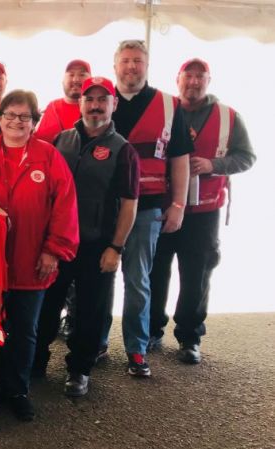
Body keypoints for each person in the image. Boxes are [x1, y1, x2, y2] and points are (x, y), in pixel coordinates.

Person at [0, 90, 78, 421]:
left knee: (24, 330)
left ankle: (18, 389)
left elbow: (65, 205)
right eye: (10, 115)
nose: (16, 122)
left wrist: (54, 249)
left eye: (24, 117)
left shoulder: (49, 157)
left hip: (31, 261)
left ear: (35, 122)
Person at [35, 77, 140, 396]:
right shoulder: (58, 141)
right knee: (47, 305)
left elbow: (129, 205)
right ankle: (36, 362)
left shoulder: (123, 151)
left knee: (91, 311)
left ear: (113, 104)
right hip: (57, 243)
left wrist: (116, 248)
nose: (95, 105)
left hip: (97, 246)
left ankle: (79, 370)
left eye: (102, 100)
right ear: (79, 103)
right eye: (88, 99)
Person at [149, 58, 256, 364]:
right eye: (188, 76)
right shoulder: (163, 110)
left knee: (197, 274)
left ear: (209, 80)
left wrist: (214, 165)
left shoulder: (229, 117)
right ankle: (153, 329)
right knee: (156, 270)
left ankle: (189, 336)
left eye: (200, 77)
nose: (193, 82)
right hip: (163, 205)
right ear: (177, 78)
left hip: (205, 211)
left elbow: (247, 157)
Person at [111, 39, 193, 377]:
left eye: (138, 61)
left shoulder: (170, 106)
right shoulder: (101, 101)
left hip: (148, 209)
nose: (132, 67)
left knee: (139, 281)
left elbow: (181, 160)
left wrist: (178, 205)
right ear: (116, 65)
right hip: (104, 209)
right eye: (126, 61)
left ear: (147, 65)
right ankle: (96, 341)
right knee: (97, 280)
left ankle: (137, 349)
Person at [34, 59, 92, 143]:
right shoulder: (51, 107)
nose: (75, 79)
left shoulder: (97, 111)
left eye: (82, 75)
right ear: (63, 81)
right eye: (71, 75)